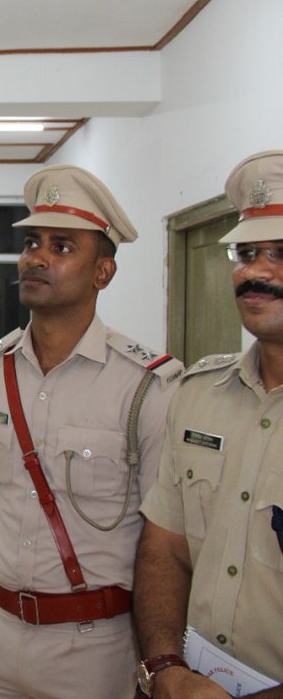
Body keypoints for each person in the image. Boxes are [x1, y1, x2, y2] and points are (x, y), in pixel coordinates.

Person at [0, 165, 183, 699]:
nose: (36, 257)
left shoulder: (147, 388)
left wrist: (162, 661)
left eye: (61, 246)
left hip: (95, 648)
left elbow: (163, 542)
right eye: (32, 242)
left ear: (103, 272)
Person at [134, 150, 283, 699]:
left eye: (281, 253)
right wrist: (165, 667)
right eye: (246, 253)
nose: (256, 273)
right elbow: (164, 548)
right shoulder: (198, 396)